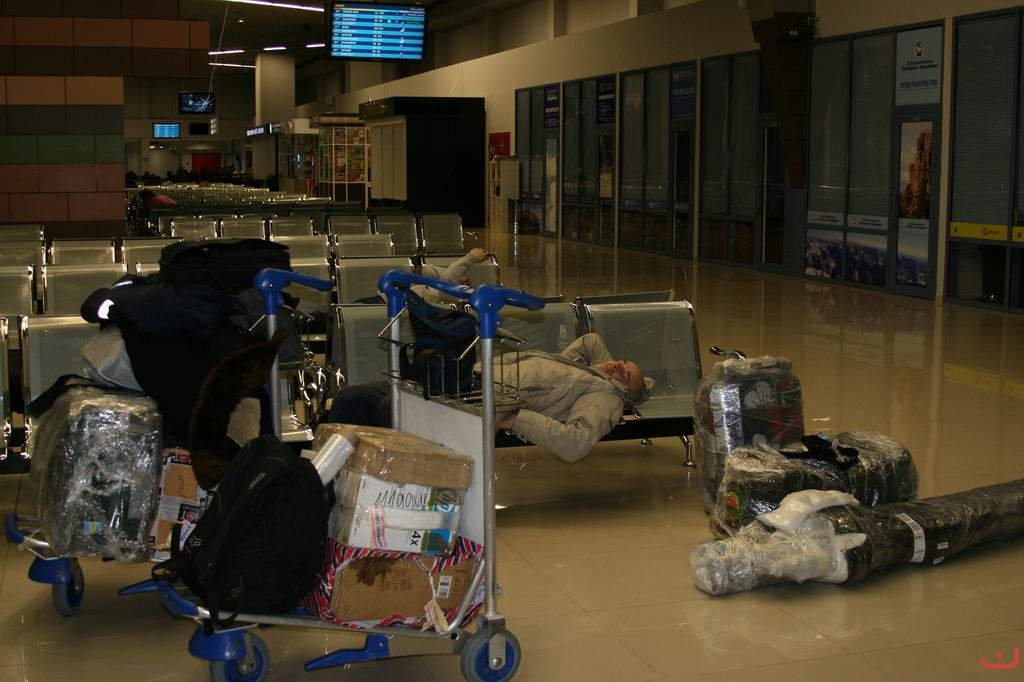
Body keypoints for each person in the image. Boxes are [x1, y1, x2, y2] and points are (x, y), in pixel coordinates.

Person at [326, 332, 654, 463]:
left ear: (625, 392)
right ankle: (334, 480)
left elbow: (576, 444)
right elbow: (591, 340)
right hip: (462, 377)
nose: (619, 367)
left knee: (391, 408)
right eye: (624, 362)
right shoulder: (594, 374)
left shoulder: (605, 398)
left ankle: (382, 485)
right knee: (350, 399)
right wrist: (601, 367)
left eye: (625, 375)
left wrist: (518, 419)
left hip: (482, 402)